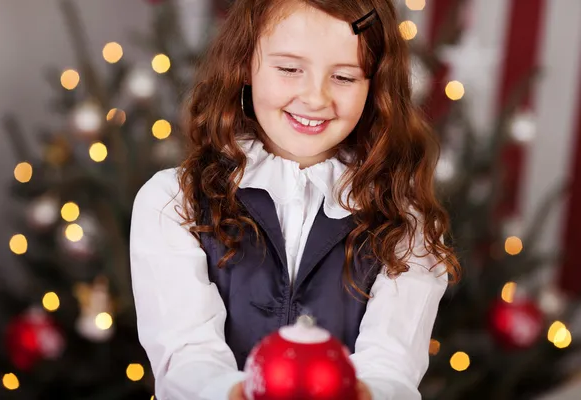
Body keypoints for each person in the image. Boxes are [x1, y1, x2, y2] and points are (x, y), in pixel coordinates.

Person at [129, 0, 461, 399]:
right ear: (244, 64)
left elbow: (390, 370)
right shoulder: (172, 201)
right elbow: (186, 358)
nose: (316, 98)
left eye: (343, 77)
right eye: (289, 69)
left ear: (374, 87)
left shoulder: (406, 224)